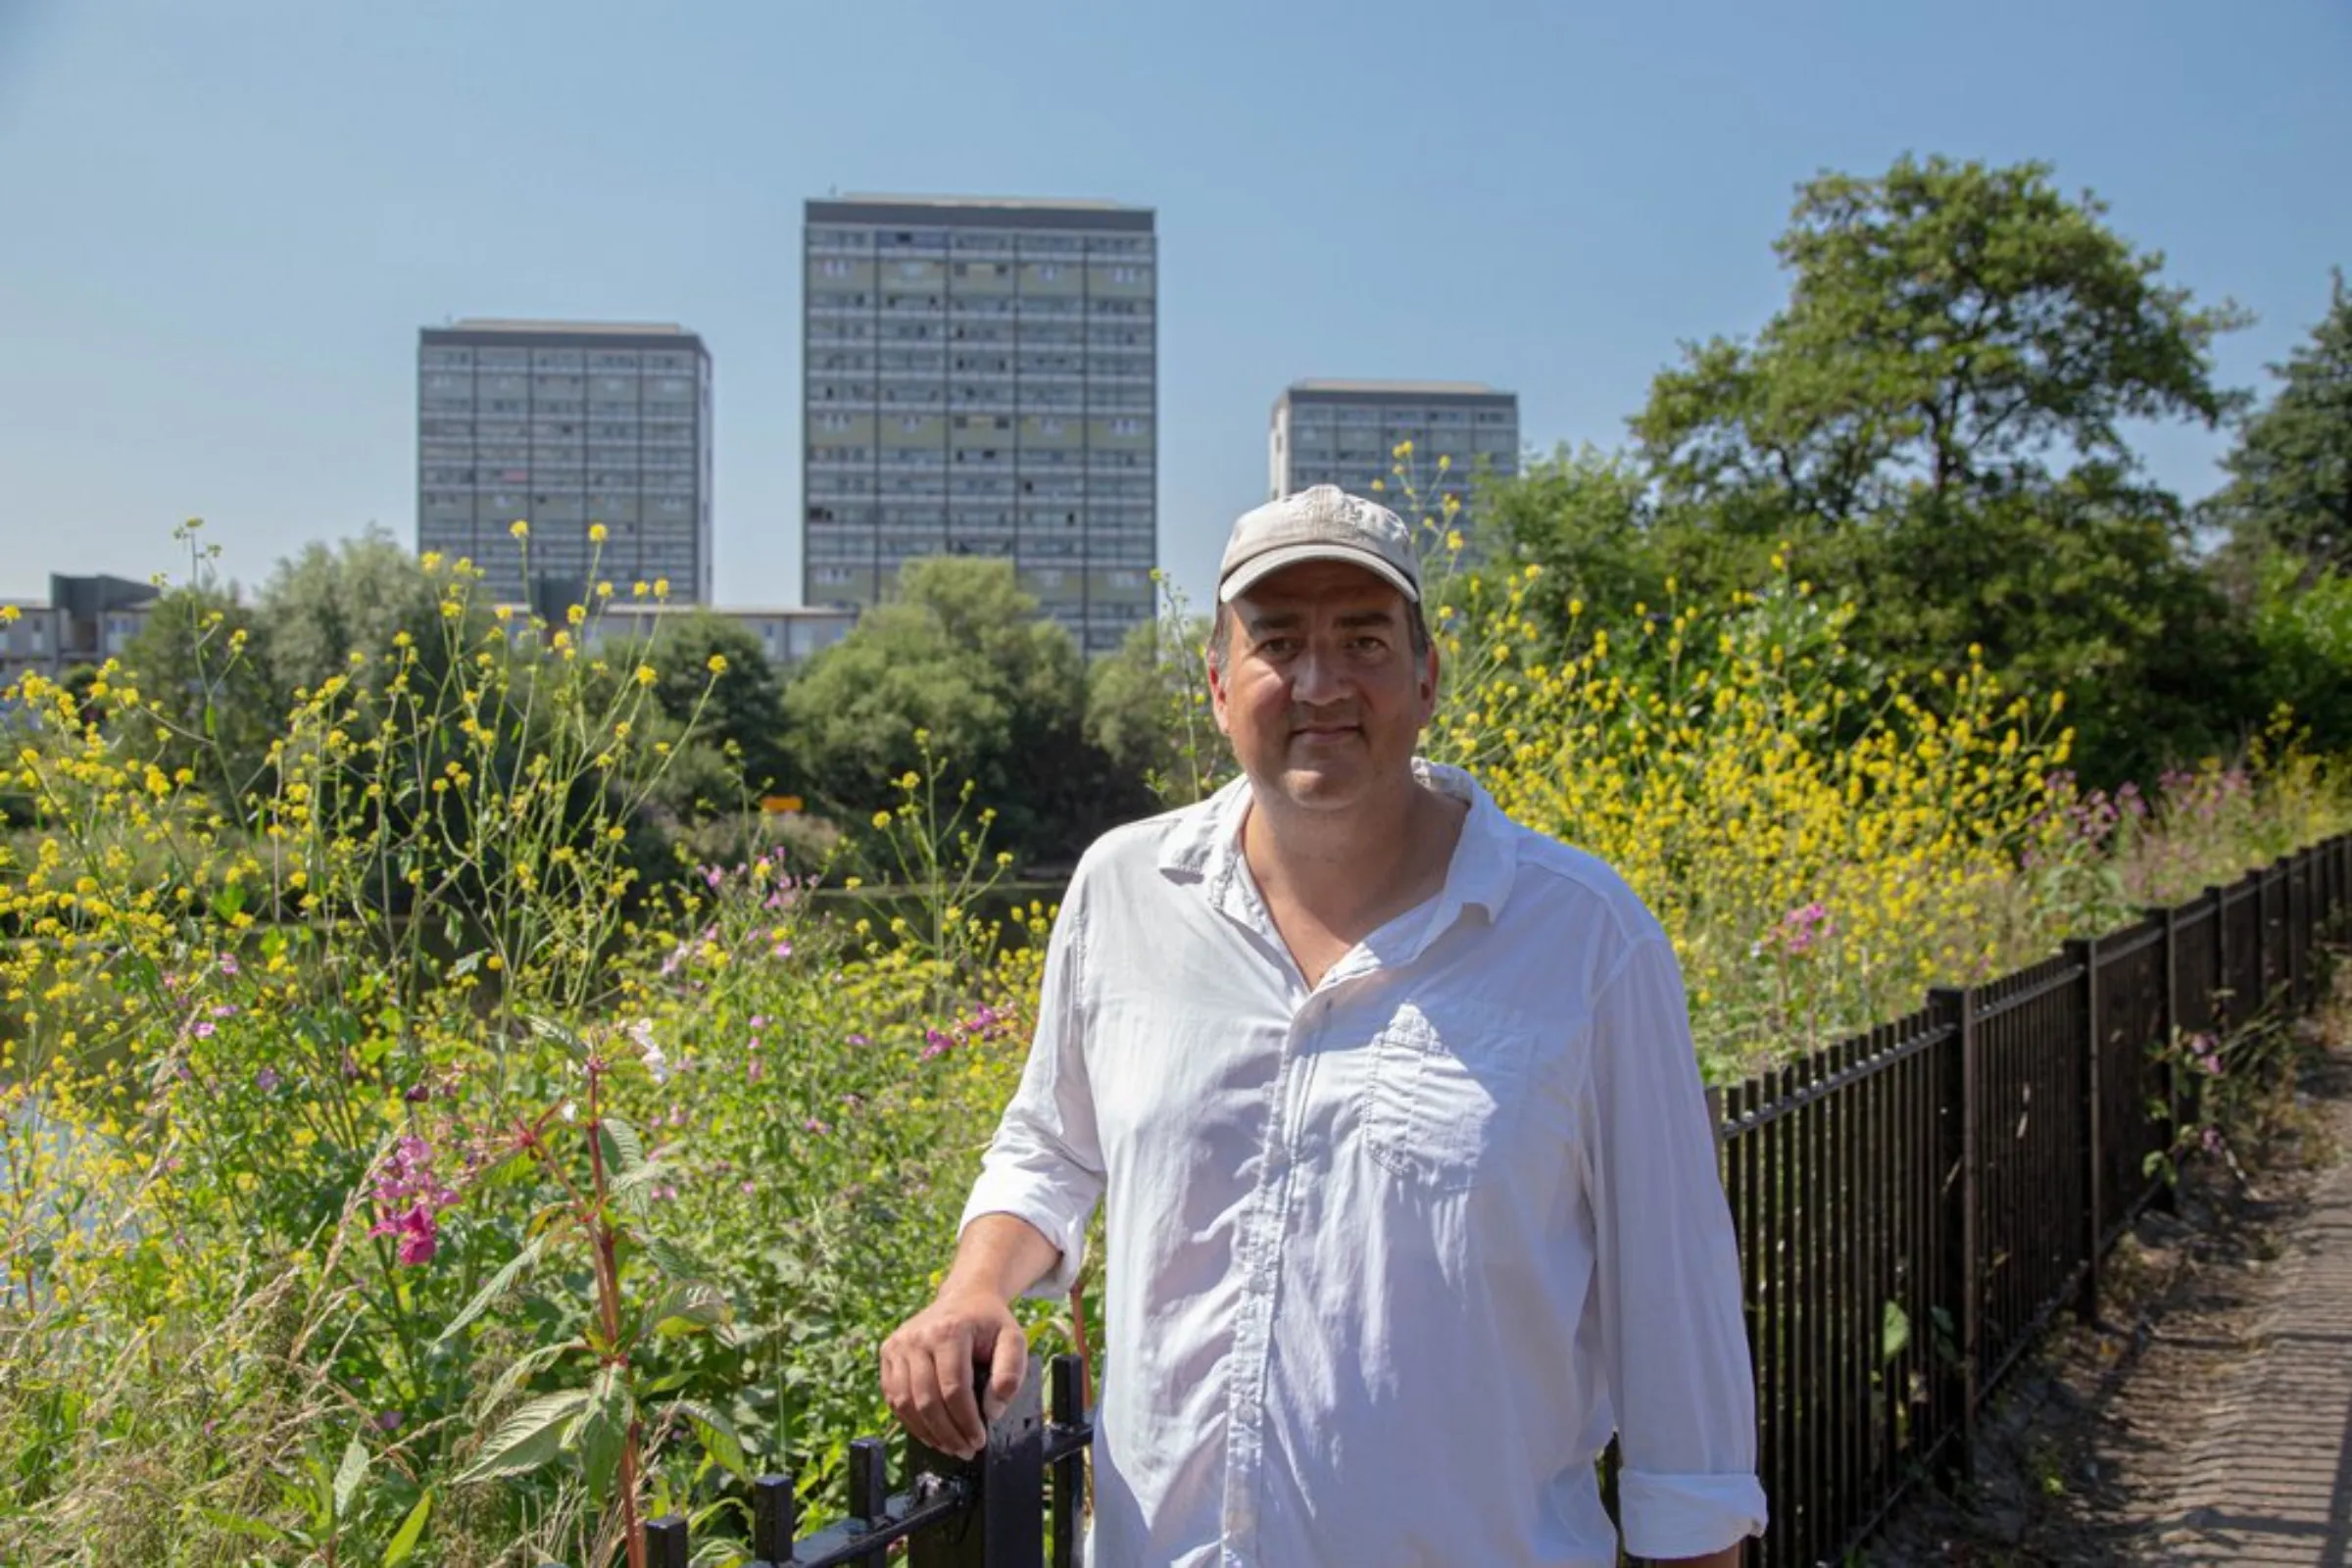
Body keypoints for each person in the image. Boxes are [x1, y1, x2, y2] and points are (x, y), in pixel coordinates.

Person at [881, 485, 1767, 1566]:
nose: (1320, 682)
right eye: (1277, 642)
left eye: (1363, 639)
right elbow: (1050, 1146)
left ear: (1428, 678)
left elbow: (1671, 1304)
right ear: (1217, 685)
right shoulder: (1124, 892)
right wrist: (972, 1287)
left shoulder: (1586, 939)